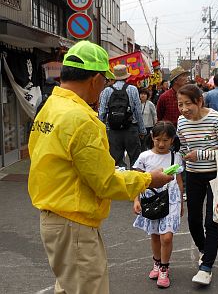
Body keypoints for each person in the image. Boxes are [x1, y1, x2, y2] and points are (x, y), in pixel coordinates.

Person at [28, 40, 173, 294]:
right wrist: (148, 180)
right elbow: (105, 182)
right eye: (104, 80)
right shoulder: (81, 119)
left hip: (54, 216)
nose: (104, 86)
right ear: (95, 79)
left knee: (67, 287)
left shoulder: (49, 107)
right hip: (74, 222)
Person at [176, 84, 218, 285]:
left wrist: (200, 154)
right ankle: (204, 250)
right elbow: (183, 146)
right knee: (193, 221)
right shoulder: (181, 122)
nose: (183, 109)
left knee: (212, 221)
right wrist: (182, 157)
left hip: (216, 177)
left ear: (199, 101)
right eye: (180, 104)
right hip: (193, 175)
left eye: (187, 104)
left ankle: (206, 267)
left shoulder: (216, 119)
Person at [132, 121, 184, 288]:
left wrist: (182, 202)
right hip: (151, 199)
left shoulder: (176, 157)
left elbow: (179, 181)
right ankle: (156, 262)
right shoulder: (144, 157)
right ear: (152, 138)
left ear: (172, 140)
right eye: (158, 139)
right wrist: (136, 199)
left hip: (171, 199)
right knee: (154, 235)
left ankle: (164, 268)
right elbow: (136, 181)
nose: (161, 144)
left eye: (166, 140)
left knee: (166, 236)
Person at [99, 64, 146, 169]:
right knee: (136, 161)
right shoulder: (133, 89)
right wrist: (142, 130)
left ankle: (121, 183)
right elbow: (138, 112)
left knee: (116, 163)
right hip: (131, 129)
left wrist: (103, 131)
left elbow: (101, 113)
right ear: (126, 76)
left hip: (113, 131)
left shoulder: (106, 91)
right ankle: (136, 183)